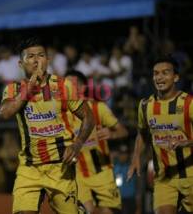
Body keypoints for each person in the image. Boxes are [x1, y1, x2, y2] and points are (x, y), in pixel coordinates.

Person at [0, 37, 94, 214]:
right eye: (31, 56)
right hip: (29, 167)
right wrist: (29, 87)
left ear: (48, 60)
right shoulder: (13, 89)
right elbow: (5, 113)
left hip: (60, 168)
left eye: (41, 55)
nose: (36, 60)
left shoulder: (64, 85)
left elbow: (89, 117)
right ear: (21, 63)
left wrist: (78, 143)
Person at [127, 55, 193, 214]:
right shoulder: (145, 106)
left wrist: (188, 142)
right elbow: (142, 133)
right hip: (163, 178)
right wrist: (136, 157)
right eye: (156, 73)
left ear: (176, 77)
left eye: (165, 72)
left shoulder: (188, 103)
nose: (159, 77)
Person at [65, 70, 128, 214]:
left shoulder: (98, 108)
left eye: (72, 85)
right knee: (86, 211)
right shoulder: (62, 114)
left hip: (102, 171)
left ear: (83, 87)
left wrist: (111, 134)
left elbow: (123, 131)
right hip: (78, 174)